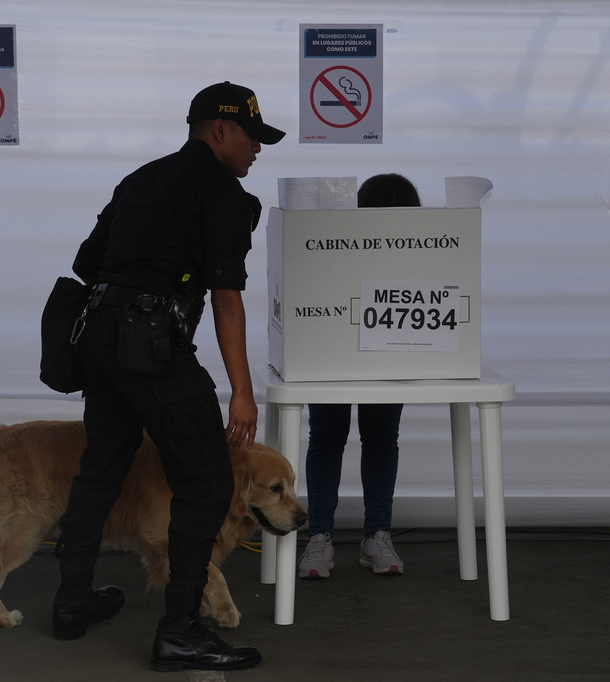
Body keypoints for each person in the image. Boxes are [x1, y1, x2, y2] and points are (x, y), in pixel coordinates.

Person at [52, 81, 284, 673]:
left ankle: (72, 603)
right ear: (220, 130)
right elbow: (226, 298)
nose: (258, 149)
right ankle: (181, 631)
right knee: (207, 482)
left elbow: (86, 264)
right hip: (151, 344)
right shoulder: (222, 191)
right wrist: (242, 391)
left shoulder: (141, 179)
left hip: (98, 338)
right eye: (252, 136)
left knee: (102, 468)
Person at [297, 173, 420, 580]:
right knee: (331, 437)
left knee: (375, 438)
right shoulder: (333, 247)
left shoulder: (422, 255)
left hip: (386, 355)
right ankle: (321, 536)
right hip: (331, 353)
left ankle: (374, 535)